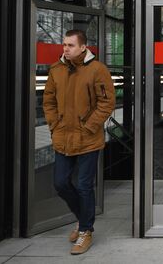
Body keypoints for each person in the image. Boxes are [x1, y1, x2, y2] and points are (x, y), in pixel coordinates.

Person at [43, 29, 115, 255]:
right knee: (61, 183)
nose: (66, 48)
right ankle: (82, 219)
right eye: (64, 44)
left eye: (71, 45)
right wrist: (55, 125)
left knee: (84, 186)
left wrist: (89, 126)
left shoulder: (97, 70)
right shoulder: (56, 70)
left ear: (83, 47)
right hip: (63, 137)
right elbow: (48, 101)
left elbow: (106, 102)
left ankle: (85, 230)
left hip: (88, 139)